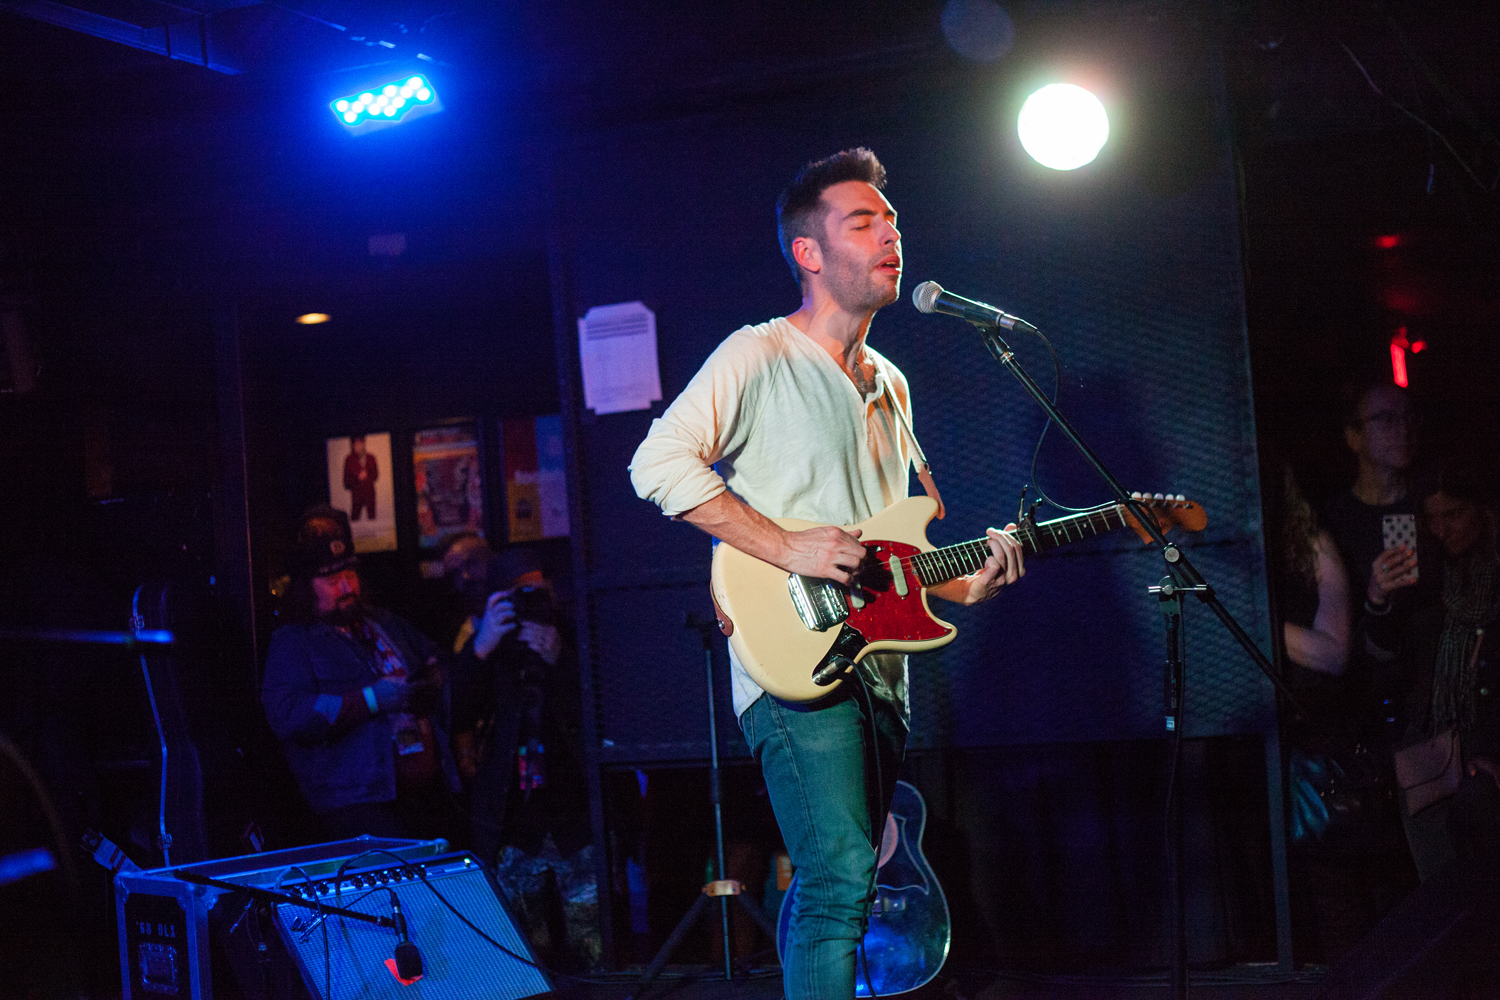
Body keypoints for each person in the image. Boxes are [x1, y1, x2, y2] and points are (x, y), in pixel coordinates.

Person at [629, 148, 1026, 1000]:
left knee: (845, 881)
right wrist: (791, 548)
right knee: (842, 874)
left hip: (881, 661)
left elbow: (897, 555)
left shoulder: (892, 384)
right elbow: (657, 466)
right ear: (809, 253)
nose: (890, 235)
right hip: (790, 658)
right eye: (863, 221)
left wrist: (968, 580)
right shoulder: (757, 355)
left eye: (892, 221)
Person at [261, 505, 458, 840]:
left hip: (424, 795)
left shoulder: (384, 622)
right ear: (306, 587)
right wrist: (371, 700)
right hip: (358, 805)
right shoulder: (292, 641)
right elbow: (291, 716)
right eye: (332, 580)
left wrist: (432, 682)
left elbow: (440, 662)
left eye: (349, 575)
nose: (346, 587)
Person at [448, 544, 595, 968]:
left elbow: (605, 706)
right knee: (523, 954)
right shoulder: (487, 644)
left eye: (537, 591)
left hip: (577, 818)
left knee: (592, 949)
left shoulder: (575, 632)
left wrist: (560, 659)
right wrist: (481, 647)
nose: (530, 602)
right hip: (513, 823)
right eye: (518, 594)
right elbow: (454, 713)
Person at [1364, 458, 1500, 879]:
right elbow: (1386, 655)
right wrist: (1378, 600)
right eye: (1433, 518)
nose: (1442, 529)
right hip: (1431, 755)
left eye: (1454, 514)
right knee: (1441, 890)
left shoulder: (1491, 576)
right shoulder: (1428, 574)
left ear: (1482, 508)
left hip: (1485, 752)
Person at [344, 435, 378, 521]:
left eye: (360, 444)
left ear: (363, 444)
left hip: (370, 494)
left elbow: (375, 475)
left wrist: (367, 476)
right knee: (354, 518)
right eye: (355, 444)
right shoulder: (349, 459)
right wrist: (358, 478)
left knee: (372, 518)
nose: (358, 446)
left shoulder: (371, 458)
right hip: (356, 496)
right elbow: (346, 481)